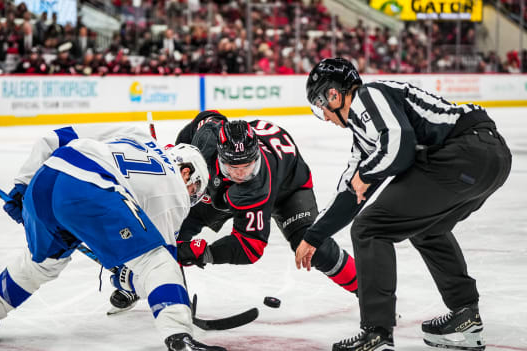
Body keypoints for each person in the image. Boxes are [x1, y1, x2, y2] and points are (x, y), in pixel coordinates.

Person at [0, 124, 226, 351]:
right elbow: (156, 268)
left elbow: (55, 137)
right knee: (158, 263)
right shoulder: (176, 193)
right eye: (196, 190)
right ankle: (180, 338)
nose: (192, 197)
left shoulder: (136, 135)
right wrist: (130, 280)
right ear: (187, 172)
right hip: (89, 190)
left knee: (41, 263)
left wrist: (22, 184)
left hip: (46, 178)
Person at [297, 57, 512, 350]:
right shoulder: (364, 136)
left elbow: (400, 145)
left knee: (369, 228)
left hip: (465, 152)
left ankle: (377, 332)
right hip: (489, 159)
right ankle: (466, 315)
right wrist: (314, 236)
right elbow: (350, 192)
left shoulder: (367, 96)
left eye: (320, 105)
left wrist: (367, 173)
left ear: (333, 94)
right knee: (427, 229)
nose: (324, 115)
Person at [174, 111, 357, 291]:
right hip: (227, 188)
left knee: (312, 246)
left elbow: (249, 247)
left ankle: (367, 288)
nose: (241, 173)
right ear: (220, 156)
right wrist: (177, 158)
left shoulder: (256, 186)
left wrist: (204, 253)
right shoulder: (208, 139)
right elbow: (207, 117)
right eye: (233, 166)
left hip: (288, 187)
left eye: (248, 165)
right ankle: (159, 283)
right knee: (176, 224)